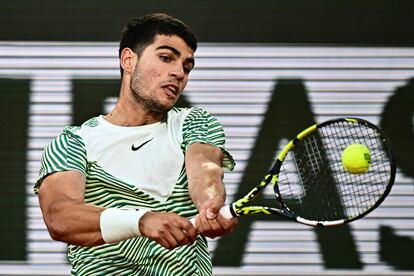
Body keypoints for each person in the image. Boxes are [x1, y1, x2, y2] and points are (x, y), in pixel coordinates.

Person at [34, 13, 238, 275]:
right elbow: (59, 218)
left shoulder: (193, 123)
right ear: (129, 60)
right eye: (166, 58)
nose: (178, 73)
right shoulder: (73, 143)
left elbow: (206, 170)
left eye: (187, 67)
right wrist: (141, 221)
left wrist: (211, 204)